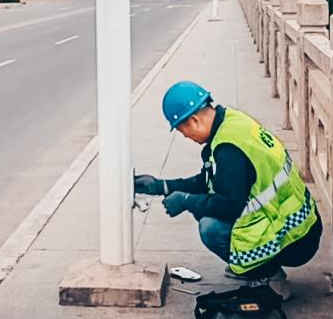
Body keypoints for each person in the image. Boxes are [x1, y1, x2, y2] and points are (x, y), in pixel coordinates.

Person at [134, 81, 321, 298]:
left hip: (294, 238)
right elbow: (210, 181)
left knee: (210, 228)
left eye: (182, 130)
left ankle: (270, 278)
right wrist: (161, 186)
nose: (185, 136)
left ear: (193, 120)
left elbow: (229, 205)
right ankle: (251, 264)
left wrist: (185, 200)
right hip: (301, 224)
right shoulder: (231, 122)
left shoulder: (228, 150)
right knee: (202, 206)